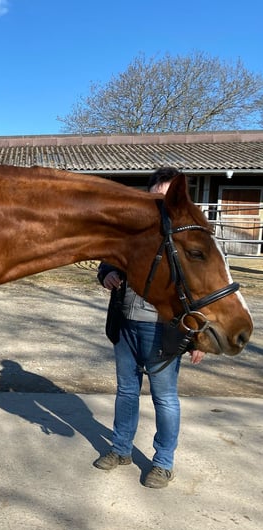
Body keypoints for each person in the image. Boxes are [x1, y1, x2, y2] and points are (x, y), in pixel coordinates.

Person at [94, 167, 205, 489]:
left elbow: (201, 287)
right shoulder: (134, 232)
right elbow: (107, 261)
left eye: (168, 196)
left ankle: (162, 462)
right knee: (126, 391)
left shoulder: (188, 239)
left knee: (164, 397)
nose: (162, 202)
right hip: (125, 324)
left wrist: (198, 336)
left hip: (164, 330)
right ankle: (120, 450)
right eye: (157, 196)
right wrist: (107, 275)